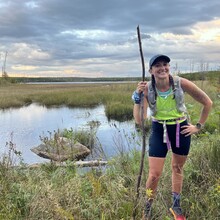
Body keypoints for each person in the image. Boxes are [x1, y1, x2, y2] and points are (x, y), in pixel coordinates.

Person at [132, 54, 212, 220]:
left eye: (165, 64)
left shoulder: (180, 83)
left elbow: (207, 102)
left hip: (180, 128)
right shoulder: (147, 88)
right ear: (151, 70)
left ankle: (176, 206)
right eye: (157, 65)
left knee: (177, 168)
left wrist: (197, 127)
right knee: (154, 174)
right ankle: (147, 209)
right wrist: (137, 98)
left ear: (169, 67)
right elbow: (140, 120)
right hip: (158, 129)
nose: (162, 68)